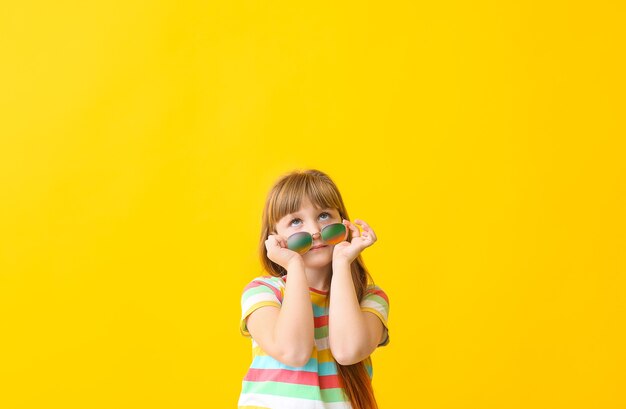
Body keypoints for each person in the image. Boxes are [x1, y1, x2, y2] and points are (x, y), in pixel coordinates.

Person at [238, 169, 390, 409]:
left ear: (343, 223)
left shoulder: (370, 298)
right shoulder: (263, 292)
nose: (314, 231)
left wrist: (341, 264)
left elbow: (348, 351)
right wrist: (294, 264)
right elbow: (294, 352)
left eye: (324, 215)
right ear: (275, 238)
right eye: (296, 221)